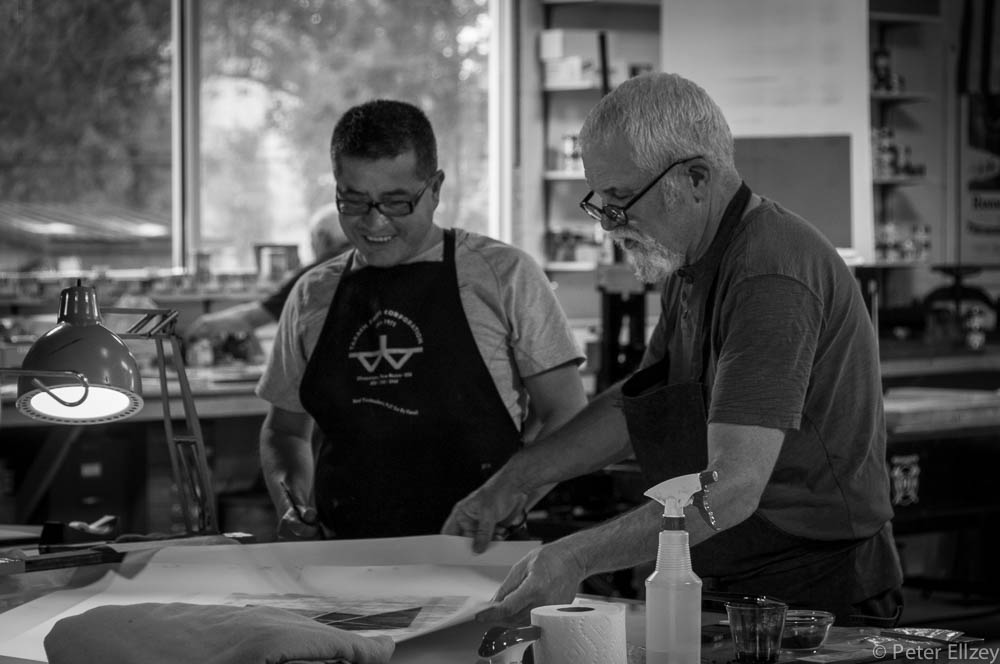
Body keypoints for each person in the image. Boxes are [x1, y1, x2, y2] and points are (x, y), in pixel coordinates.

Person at [443, 72, 903, 625]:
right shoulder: (690, 260)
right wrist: (516, 480)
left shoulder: (768, 275)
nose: (609, 224)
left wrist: (577, 555)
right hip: (731, 571)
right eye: (600, 202)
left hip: (814, 594)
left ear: (696, 179)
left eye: (621, 200)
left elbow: (731, 488)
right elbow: (638, 407)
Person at [256, 99, 587, 541]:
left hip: (479, 556)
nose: (375, 222)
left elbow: (566, 412)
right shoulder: (311, 294)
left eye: (396, 203)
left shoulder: (504, 276)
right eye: (353, 201)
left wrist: (509, 502)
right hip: (344, 559)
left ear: (435, 189)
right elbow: (285, 431)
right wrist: (291, 503)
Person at [185, 205, 352, 340]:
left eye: (312, 240)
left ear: (322, 237)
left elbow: (254, 317)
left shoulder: (317, 274)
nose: (311, 247)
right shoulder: (360, 260)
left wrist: (206, 324)